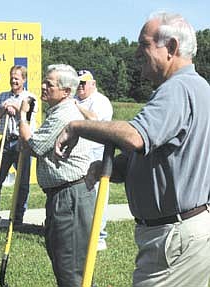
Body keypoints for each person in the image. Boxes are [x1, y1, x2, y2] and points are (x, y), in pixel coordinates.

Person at [54, 11, 210, 287]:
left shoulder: (178, 89)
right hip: (179, 233)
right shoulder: (194, 88)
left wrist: (76, 127)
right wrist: (116, 168)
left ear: (171, 48)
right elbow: (164, 154)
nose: (137, 54)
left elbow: (136, 136)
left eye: (144, 45)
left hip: (174, 238)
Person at [18, 64, 96, 287]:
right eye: (44, 81)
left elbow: (33, 146)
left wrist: (23, 116)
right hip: (63, 195)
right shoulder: (60, 112)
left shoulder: (63, 115)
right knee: (64, 262)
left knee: (70, 268)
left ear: (66, 92)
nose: (43, 86)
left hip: (70, 196)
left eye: (49, 84)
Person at [0, 65, 37, 225]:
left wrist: (16, 107)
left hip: (22, 142)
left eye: (17, 78)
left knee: (22, 182)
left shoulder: (30, 98)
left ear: (24, 80)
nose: (13, 80)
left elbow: (28, 116)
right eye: (12, 77)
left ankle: (18, 218)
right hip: (5, 141)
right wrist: (4, 108)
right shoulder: (2, 97)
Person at [75, 69, 113, 251]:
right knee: (80, 195)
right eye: (78, 83)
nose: (80, 86)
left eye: (83, 83)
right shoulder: (75, 99)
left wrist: (76, 106)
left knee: (98, 196)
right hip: (79, 153)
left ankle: (99, 237)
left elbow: (95, 120)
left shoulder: (100, 101)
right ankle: (82, 232)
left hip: (97, 154)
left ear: (93, 84)